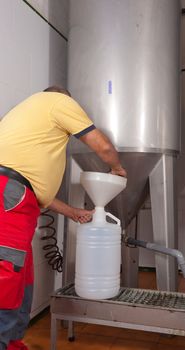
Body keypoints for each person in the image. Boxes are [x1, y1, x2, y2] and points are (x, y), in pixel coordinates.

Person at [0, 86, 126, 350]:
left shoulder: (28, 115)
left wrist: (72, 212)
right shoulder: (58, 101)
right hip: (9, 196)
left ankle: (12, 342)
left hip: (18, 199)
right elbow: (103, 147)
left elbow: (39, 192)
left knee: (22, 278)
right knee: (7, 275)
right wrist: (117, 168)